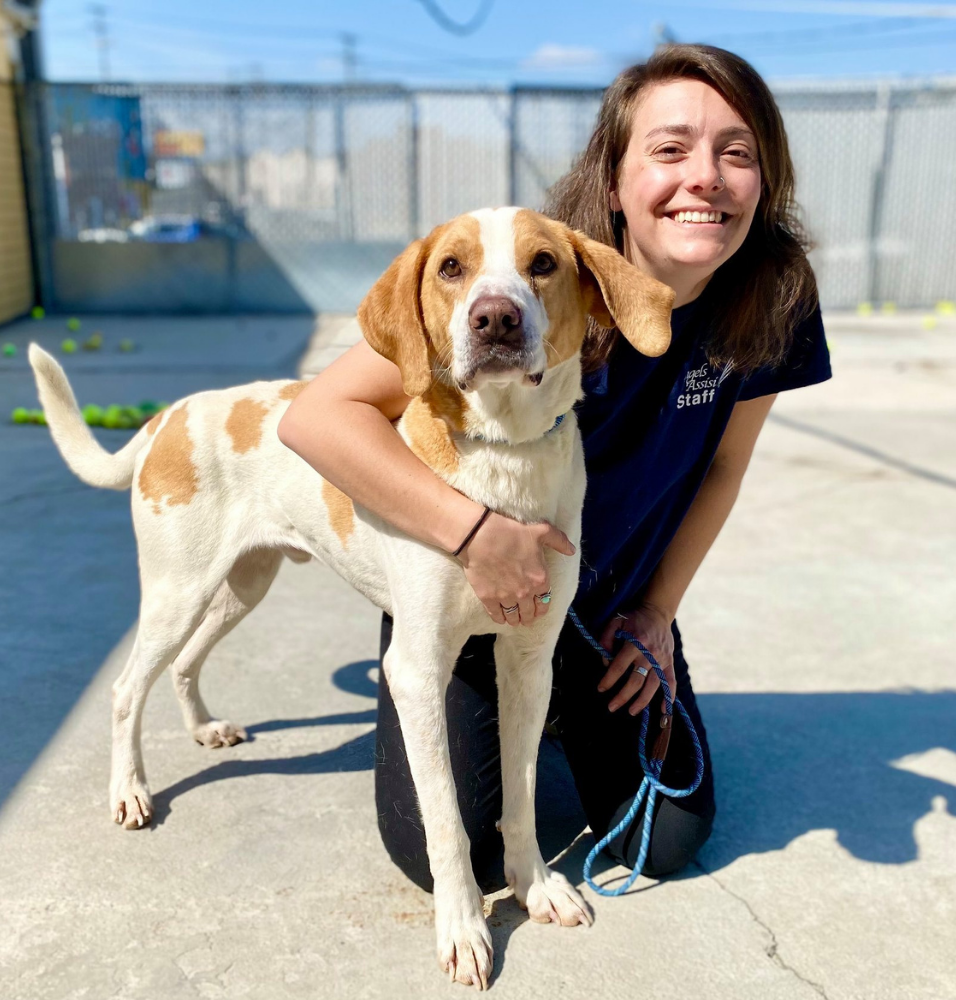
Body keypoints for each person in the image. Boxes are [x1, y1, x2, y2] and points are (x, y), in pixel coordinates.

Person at [278, 44, 831, 893]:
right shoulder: (538, 279)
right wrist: (471, 536)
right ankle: (506, 702)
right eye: (671, 148)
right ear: (615, 180)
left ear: (766, 177)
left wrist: (657, 614)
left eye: (738, 152)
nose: (706, 177)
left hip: (610, 607)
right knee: (464, 855)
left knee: (666, 839)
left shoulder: (773, 298)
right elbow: (318, 415)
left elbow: (721, 469)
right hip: (469, 576)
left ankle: (556, 703)